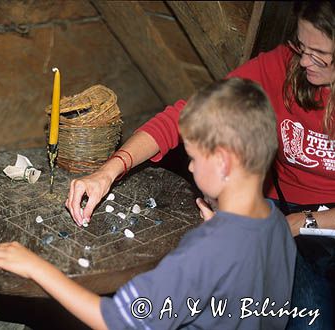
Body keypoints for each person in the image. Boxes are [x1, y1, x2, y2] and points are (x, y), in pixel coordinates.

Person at [67, 1, 335, 329]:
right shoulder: (281, 64)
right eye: (300, 45)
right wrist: (110, 171)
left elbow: (117, 320)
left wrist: (292, 224)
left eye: (320, 54)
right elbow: (185, 116)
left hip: (314, 217)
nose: (304, 60)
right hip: (274, 205)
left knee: (313, 316)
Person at [0, 78, 297, 329]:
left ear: (223, 163)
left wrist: (37, 267)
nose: (189, 167)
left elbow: (115, 322)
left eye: (193, 157)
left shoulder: (204, 251)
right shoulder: (277, 224)